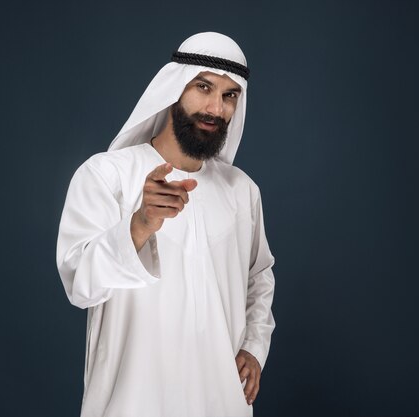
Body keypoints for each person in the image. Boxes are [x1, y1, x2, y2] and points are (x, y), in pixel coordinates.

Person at [56, 32, 275, 417]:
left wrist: (254, 347)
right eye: (203, 87)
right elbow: (80, 283)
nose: (215, 108)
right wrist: (140, 224)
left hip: (220, 402)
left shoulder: (242, 191)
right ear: (174, 88)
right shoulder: (107, 175)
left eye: (229, 95)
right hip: (133, 402)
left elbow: (259, 276)